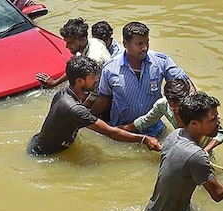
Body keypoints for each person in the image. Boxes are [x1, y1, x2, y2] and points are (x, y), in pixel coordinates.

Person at [139, 92, 223, 211]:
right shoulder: (196, 156)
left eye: (217, 117)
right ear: (194, 124)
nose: (218, 122)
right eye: (213, 119)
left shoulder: (175, 135)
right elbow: (218, 194)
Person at [28, 56, 161, 155]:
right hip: (47, 154)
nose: (97, 79)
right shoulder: (75, 109)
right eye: (93, 77)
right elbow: (110, 132)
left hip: (39, 143)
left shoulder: (63, 94)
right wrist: (144, 139)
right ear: (80, 81)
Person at [90, 22, 191, 137]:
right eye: (139, 44)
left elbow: (185, 84)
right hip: (123, 131)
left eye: (146, 42)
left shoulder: (161, 62)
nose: (144, 48)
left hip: (154, 129)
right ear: (125, 44)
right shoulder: (110, 69)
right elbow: (104, 98)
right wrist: (88, 119)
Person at [122, 78, 223, 154]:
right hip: (185, 150)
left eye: (177, 105)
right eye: (170, 103)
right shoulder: (163, 105)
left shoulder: (198, 108)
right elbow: (145, 121)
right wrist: (121, 130)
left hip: (204, 151)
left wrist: (206, 151)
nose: (173, 109)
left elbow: (221, 132)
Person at [36, 18, 112, 89]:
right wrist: (55, 82)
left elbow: (95, 91)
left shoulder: (94, 59)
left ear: (83, 40)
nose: (66, 46)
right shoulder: (92, 41)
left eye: (70, 43)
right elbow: (75, 69)